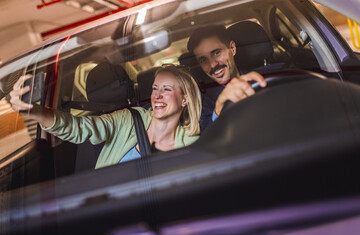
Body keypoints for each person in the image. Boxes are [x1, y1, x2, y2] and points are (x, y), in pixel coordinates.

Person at [9, 65, 202, 169]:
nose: (157, 96)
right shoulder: (129, 119)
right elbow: (80, 127)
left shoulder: (193, 141)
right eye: (154, 89)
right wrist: (35, 112)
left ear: (185, 99)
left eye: (166, 89)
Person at [187, 25, 267, 131]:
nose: (212, 65)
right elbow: (208, 138)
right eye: (203, 60)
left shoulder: (267, 76)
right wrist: (219, 108)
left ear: (232, 48)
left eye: (216, 53)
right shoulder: (203, 103)